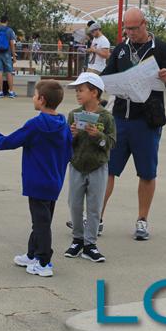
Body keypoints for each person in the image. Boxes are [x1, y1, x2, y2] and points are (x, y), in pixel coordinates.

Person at [100, 7, 166, 241]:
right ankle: (96, 218)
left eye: (134, 28)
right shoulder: (121, 49)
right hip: (119, 118)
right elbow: (107, 74)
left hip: (147, 120)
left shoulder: (161, 49)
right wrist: (104, 83)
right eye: (126, 28)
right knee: (107, 169)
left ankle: (142, 220)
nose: (130, 32)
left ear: (145, 24)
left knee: (147, 172)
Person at [0, 80, 73, 277]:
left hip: (37, 181)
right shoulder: (64, 125)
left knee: (41, 223)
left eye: (35, 95)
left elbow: (10, 142)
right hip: (54, 181)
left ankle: (44, 262)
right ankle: (32, 254)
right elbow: (69, 152)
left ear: (42, 100)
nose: (33, 98)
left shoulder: (36, 124)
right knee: (42, 220)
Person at [64, 73, 115, 263]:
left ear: (94, 93)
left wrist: (97, 135)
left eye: (81, 90)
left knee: (94, 206)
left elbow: (111, 143)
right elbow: (66, 143)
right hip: (77, 165)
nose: (77, 94)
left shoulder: (106, 117)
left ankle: (90, 244)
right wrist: (72, 135)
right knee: (75, 204)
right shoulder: (73, 115)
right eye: (76, 90)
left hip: (98, 166)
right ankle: (77, 239)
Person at [0, 15, 17, 98]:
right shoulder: (10, 30)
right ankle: (11, 92)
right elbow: (12, 44)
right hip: (7, 53)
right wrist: (14, 56)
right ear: (7, 21)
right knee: (9, 72)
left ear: (0, 21)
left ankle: (0, 92)